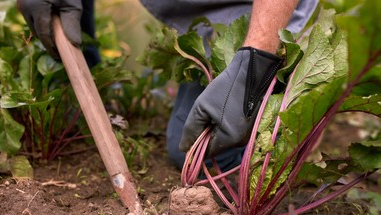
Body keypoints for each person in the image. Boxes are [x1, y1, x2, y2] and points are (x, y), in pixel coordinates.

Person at [16, 0, 318, 171]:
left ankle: (292, 90)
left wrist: (256, 62)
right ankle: (87, 95)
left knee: (200, 153)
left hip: (250, 8)